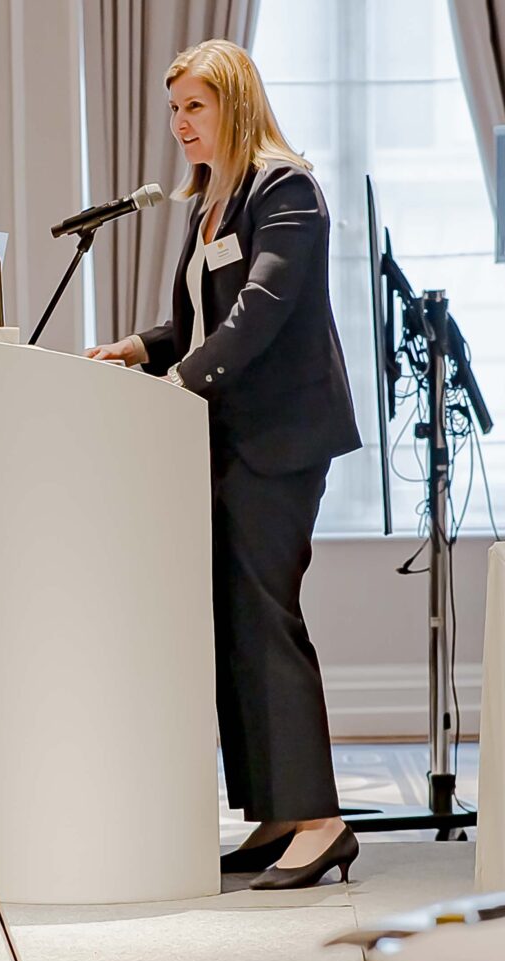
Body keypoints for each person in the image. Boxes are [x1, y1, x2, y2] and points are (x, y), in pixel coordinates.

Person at [86, 39, 362, 889]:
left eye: (194, 107)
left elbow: (261, 309)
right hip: (221, 440)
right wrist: (141, 349)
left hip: (279, 444)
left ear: (235, 104)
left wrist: (178, 381)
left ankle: (323, 821)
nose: (178, 124)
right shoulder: (211, 200)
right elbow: (203, 323)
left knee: (267, 619)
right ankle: (277, 811)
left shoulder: (287, 190)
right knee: (236, 626)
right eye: (173, 109)